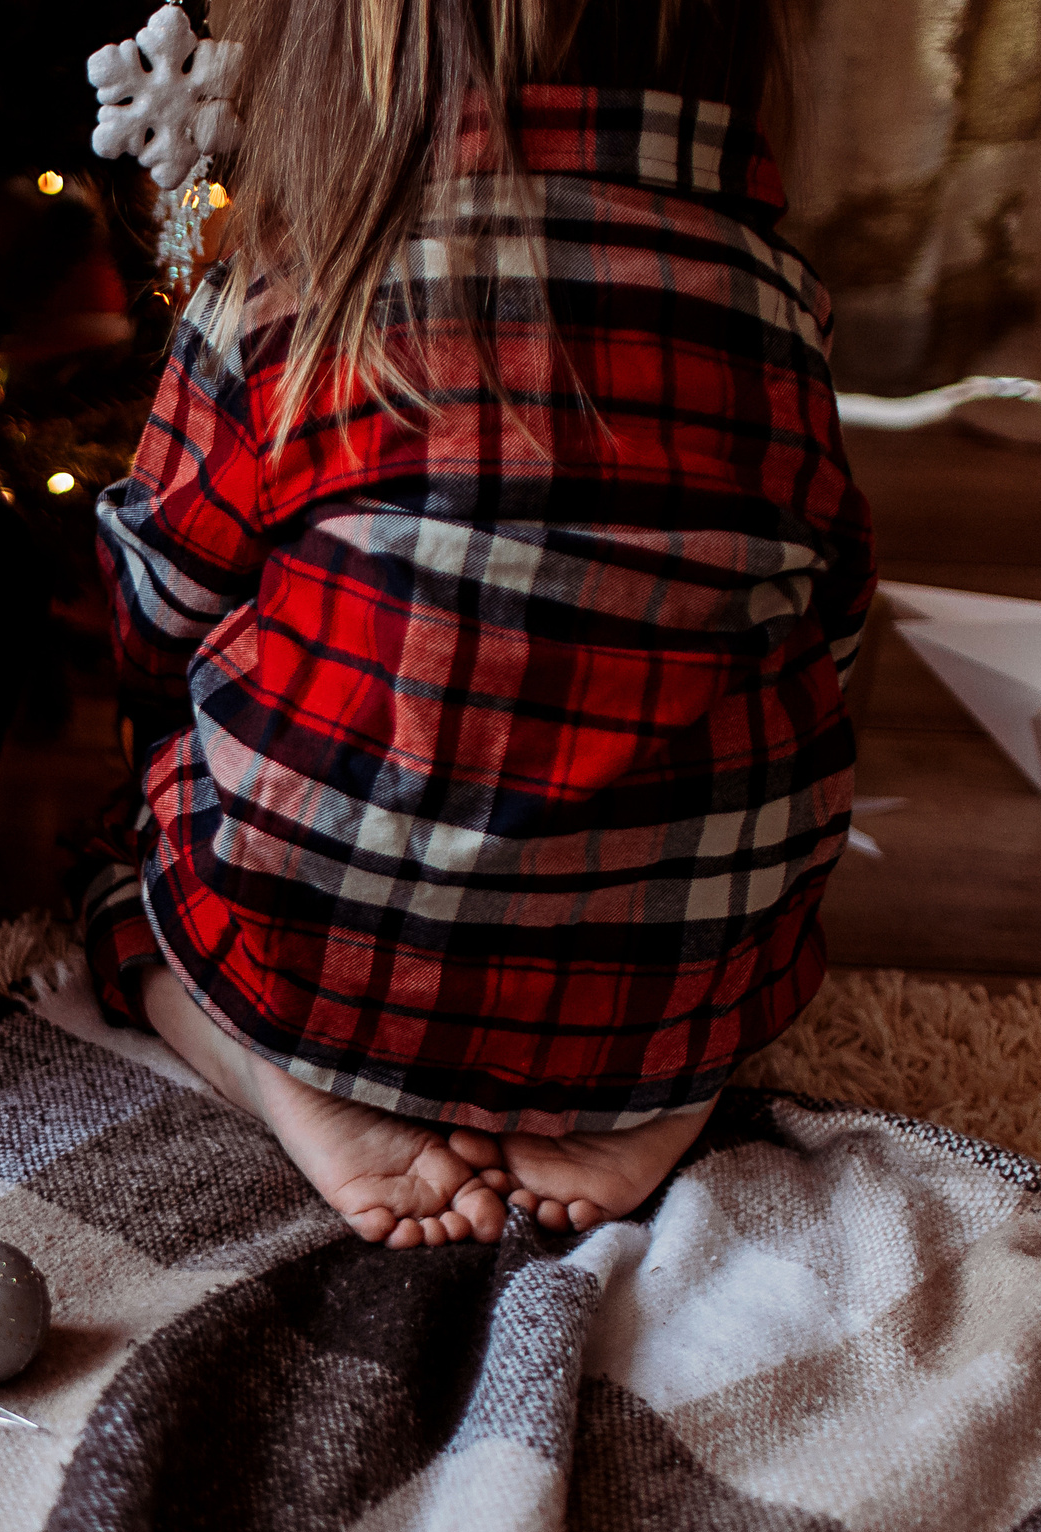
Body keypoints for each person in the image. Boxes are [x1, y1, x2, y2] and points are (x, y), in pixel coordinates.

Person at [81, 0, 872, 1247]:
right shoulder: (776, 300)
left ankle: (263, 1065)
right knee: (744, 824)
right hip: (663, 975)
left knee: (122, 869)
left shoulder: (291, 287)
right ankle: (662, 1089)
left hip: (316, 961)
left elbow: (154, 611)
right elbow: (830, 626)